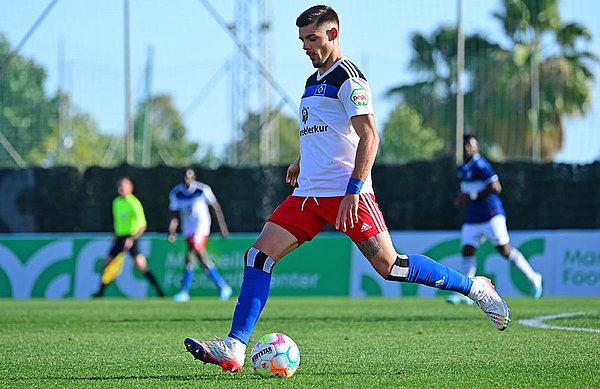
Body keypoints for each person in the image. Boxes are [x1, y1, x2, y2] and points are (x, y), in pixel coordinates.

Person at [183, 5, 511, 374]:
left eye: (313, 38)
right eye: (302, 40)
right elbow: (326, 133)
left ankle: (475, 288)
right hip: (307, 196)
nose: (306, 47)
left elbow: (370, 136)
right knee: (257, 257)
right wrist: (301, 159)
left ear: (333, 34)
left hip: (346, 195)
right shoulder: (312, 82)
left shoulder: (349, 78)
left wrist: (355, 190)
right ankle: (235, 347)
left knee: (392, 267)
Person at [446, 134, 543, 305]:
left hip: (491, 214)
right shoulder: (463, 168)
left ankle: (533, 277)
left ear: (477, 147)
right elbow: (465, 191)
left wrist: (472, 195)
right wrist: (461, 200)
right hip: (473, 217)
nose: (466, 147)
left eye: (470, 144)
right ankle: (466, 292)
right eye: (464, 144)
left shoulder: (481, 164)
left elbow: (495, 187)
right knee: (467, 250)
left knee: (504, 250)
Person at [168, 167, 232, 302]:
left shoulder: (202, 189)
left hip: (201, 227)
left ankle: (184, 291)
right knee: (199, 258)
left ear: (194, 177)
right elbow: (174, 215)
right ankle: (222, 286)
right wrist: (172, 231)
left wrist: (222, 227)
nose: (187, 180)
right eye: (185, 177)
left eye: (190, 177)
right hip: (188, 229)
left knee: (191, 252)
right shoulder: (176, 193)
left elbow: (215, 208)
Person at [93, 177, 164, 298]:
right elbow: (117, 221)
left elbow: (143, 226)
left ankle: (159, 291)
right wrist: (115, 236)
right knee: (107, 263)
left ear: (130, 188)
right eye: (119, 186)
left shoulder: (134, 203)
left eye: (123, 186)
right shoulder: (116, 202)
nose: (120, 188)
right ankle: (100, 293)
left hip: (132, 237)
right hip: (120, 237)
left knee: (140, 265)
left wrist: (131, 239)